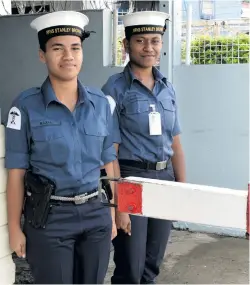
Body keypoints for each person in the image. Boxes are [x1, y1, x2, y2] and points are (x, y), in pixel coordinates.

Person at [4, 11, 118, 284]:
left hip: (96, 213)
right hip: (50, 218)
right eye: (58, 48)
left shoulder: (101, 103)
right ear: (42, 55)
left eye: (75, 48)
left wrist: (113, 214)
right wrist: (13, 228)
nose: (68, 56)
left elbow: (109, 163)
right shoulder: (25, 106)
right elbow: (16, 173)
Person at [102, 11, 186, 284]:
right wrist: (119, 205)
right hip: (131, 180)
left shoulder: (167, 87)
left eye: (155, 40)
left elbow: (176, 142)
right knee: (130, 266)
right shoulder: (114, 89)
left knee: (152, 263)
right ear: (126, 46)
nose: (148, 47)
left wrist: (182, 191)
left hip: (165, 179)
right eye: (140, 41)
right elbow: (108, 150)